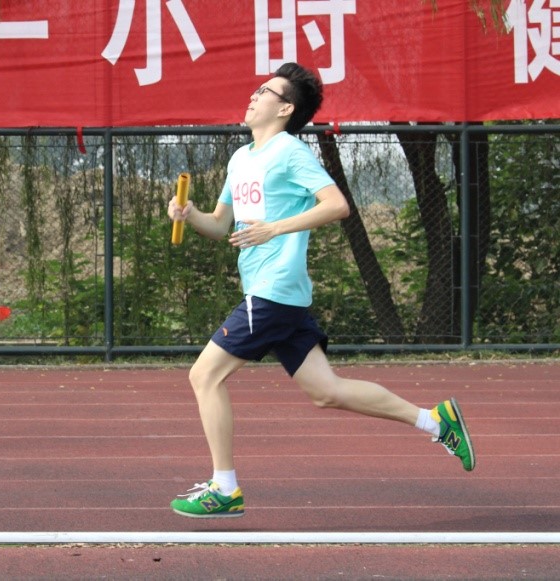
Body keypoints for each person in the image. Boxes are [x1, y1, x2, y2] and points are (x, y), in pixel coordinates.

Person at [165, 62, 475, 519]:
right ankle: (436, 421)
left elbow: (337, 205)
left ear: (285, 108)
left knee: (204, 375)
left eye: (264, 91)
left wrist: (275, 229)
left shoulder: (290, 152)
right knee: (326, 391)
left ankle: (224, 488)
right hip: (277, 294)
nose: (253, 95)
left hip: (273, 288)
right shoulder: (240, 158)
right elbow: (220, 224)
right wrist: (188, 214)